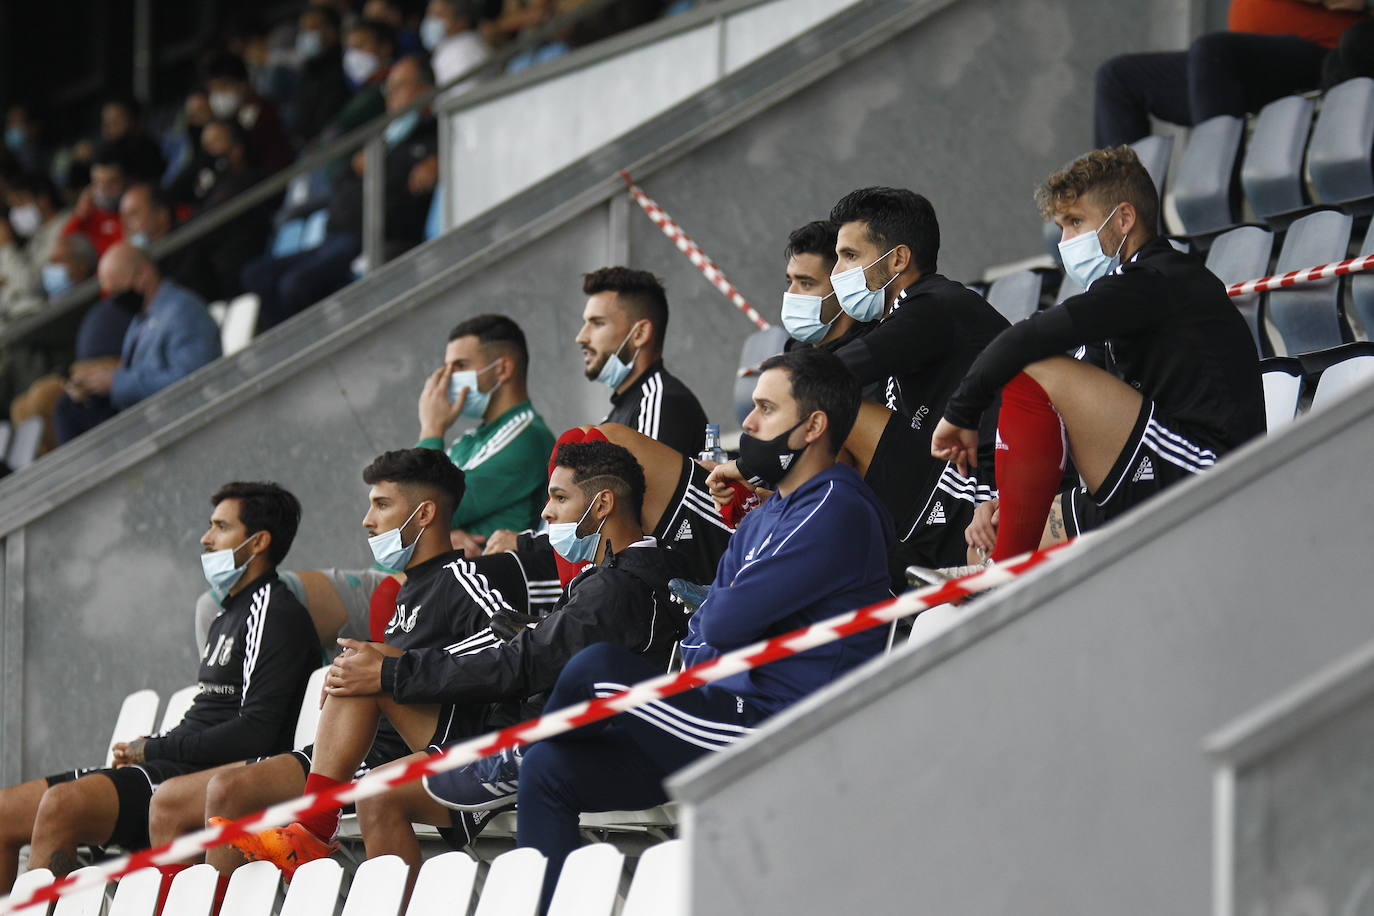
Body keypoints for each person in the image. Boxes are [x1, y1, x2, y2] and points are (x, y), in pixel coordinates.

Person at [438, 347, 893, 909]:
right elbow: (706, 625)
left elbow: (724, 620)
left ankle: (520, 752)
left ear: (813, 426)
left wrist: (717, 626)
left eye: (766, 409)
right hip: (719, 710)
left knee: (598, 667)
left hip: (781, 729)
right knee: (553, 771)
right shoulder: (770, 512)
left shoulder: (838, 506)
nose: (747, 424)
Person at [234, 439, 686, 882]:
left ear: (603, 503)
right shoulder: (605, 579)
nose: (546, 512)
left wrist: (394, 671)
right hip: (518, 735)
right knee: (367, 696)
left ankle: (313, 828)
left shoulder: (617, 585)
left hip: (530, 748)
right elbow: (541, 649)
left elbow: (523, 663)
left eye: (559, 497)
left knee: (371, 686)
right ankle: (313, 829)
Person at [146, 448, 538, 877]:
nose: (368, 520)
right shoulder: (404, 593)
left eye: (382, 504)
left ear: (424, 515)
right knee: (223, 789)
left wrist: (393, 667)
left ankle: (313, 828)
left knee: (367, 660)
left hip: (450, 745)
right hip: (372, 749)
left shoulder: (466, 578)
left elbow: (515, 646)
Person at [930, 146, 1265, 564]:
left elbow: (1027, 339)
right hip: (1152, 464)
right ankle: (1001, 570)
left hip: (1209, 470)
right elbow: (1074, 430)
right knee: (983, 544)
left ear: (1124, 218)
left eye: (1075, 223)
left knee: (1035, 366)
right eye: (1061, 226)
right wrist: (1006, 499)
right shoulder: (1121, 293)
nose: (1065, 241)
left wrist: (961, 413)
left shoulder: (1158, 280)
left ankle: (1003, 580)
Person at [0, 482, 317, 890]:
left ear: (257, 542)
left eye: (221, 527)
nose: (206, 539)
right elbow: (208, 712)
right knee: (6, 810)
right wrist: (150, 745)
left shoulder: (273, 611)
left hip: (201, 776)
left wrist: (154, 748)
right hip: (171, 763)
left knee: (63, 805)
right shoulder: (226, 615)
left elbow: (255, 732)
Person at [242, 54, 438, 331]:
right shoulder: (381, 136)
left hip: (374, 235)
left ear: (426, 90)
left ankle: (305, 345)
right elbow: (343, 177)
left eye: (401, 85)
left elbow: (403, 187)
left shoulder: (436, 135)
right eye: (389, 87)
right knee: (256, 274)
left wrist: (435, 162)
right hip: (338, 234)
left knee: (295, 285)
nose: (392, 94)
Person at [1095, 0, 1371, 148]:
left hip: (1321, 53)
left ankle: (1214, 197)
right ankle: (1118, 220)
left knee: (1213, 50)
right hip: (1232, 67)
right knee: (1119, 77)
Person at [53, 243, 221, 443]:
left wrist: (116, 383)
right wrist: (98, 383)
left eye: (117, 290)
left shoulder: (183, 312)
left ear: (143, 274)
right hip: (143, 415)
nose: (114, 301)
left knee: (69, 412)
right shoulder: (141, 317)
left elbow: (192, 380)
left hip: (167, 421)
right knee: (69, 406)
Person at [415, 314, 555, 554]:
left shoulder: (526, 438)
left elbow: (421, 510)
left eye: (460, 366)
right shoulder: (467, 441)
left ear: (502, 369)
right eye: (446, 368)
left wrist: (431, 429)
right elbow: (415, 517)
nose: (448, 380)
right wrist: (444, 534)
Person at [576, 266, 708, 457]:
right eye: (585, 323)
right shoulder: (621, 410)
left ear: (640, 333)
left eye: (597, 323)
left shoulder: (661, 403)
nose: (581, 337)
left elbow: (649, 487)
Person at [779, 219, 872, 355]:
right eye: (790, 281)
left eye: (806, 283)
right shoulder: (799, 348)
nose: (791, 293)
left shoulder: (864, 357)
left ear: (843, 286)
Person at [201, 51, 294, 173]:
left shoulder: (261, 110)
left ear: (243, 83)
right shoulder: (229, 119)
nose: (218, 95)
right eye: (214, 89)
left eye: (223, 86)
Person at [288, 5, 352, 148]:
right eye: (303, 29)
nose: (306, 35)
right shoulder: (306, 72)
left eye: (313, 28)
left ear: (332, 31)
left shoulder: (348, 65)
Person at [62, 144, 127, 257]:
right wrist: (79, 214)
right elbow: (63, 247)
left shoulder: (135, 209)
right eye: (98, 182)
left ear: (124, 180)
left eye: (111, 182)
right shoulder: (88, 215)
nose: (104, 189)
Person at [4, 172, 70, 282]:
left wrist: (6, 246)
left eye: (20, 202)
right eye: (13, 205)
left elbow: (32, 283)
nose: (16, 211)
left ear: (43, 199)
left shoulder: (68, 226)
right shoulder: (36, 235)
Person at [423, 0, 493, 90]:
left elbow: (465, 97)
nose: (431, 21)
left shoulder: (462, 53)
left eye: (438, 16)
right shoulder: (448, 49)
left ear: (461, 21)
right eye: (429, 15)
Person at [99, 97, 167, 185]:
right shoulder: (106, 150)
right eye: (106, 122)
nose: (108, 127)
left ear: (133, 121)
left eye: (115, 121)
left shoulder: (148, 149)